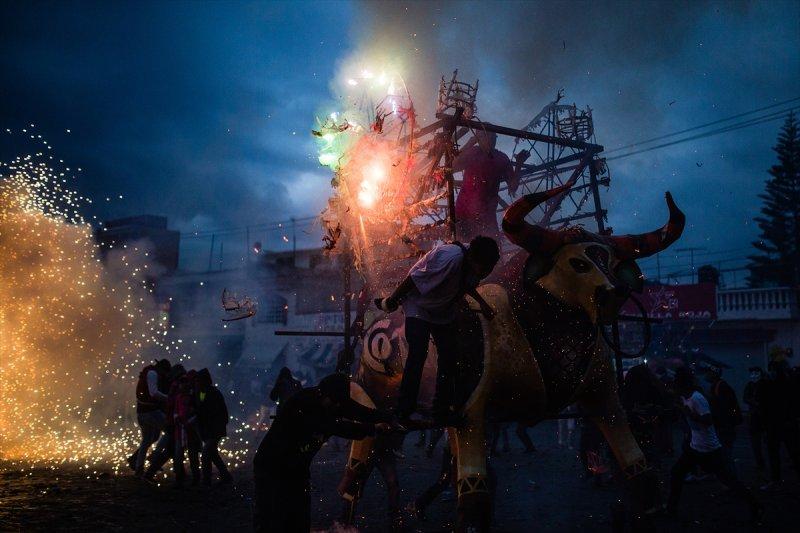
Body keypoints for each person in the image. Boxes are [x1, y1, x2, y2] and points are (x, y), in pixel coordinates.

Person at [375, 235, 501, 424]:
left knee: (450, 358)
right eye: (484, 269)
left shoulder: (477, 263)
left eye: (489, 270)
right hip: (418, 306)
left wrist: (482, 303)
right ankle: (403, 411)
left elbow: (465, 284)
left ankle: (441, 410)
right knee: (418, 354)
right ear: (472, 258)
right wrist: (392, 301)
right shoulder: (450, 257)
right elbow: (414, 278)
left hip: (443, 310)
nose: (485, 273)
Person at [253, 373, 395, 533]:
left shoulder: (332, 400)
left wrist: (391, 417)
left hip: (297, 468)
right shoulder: (303, 404)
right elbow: (335, 426)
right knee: (271, 517)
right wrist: (372, 428)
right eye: (334, 402)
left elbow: (359, 412)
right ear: (323, 394)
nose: (336, 406)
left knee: (299, 517)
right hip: (272, 466)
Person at [667, 368, 762, 522]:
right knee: (677, 473)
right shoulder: (684, 397)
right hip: (695, 447)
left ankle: (755, 504)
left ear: (683, 384)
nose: (674, 387)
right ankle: (671, 509)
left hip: (709, 449)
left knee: (729, 480)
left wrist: (688, 413)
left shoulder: (697, 398)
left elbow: (708, 421)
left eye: (676, 384)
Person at [452, 130, 530, 240]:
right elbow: (452, 167)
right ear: (479, 138)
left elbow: (513, 186)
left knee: (490, 246)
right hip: (463, 213)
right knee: (461, 245)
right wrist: (470, 143)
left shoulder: (501, 158)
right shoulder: (473, 152)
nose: (490, 140)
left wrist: (519, 164)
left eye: (492, 136)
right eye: (485, 136)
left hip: (487, 215)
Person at [759, 361, 800, 489]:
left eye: (773, 370)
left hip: (786, 424)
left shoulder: (788, 385)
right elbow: (764, 407)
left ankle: (777, 479)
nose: (771, 373)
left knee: (794, 453)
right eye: (770, 370)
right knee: (775, 453)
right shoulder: (768, 385)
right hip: (775, 425)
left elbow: (794, 404)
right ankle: (775, 479)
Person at [129, 358, 171, 476]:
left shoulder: (150, 372)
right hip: (150, 412)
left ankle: (139, 468)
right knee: (170, 429)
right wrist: (169, 399)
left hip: (143, 412)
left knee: (147, 439)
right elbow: (153, 392)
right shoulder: (153, 374)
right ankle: (155, 456)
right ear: (163, 369)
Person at [196, 368, 233, 486]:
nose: (197, 383)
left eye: (199, 380)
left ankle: (206, 481)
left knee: (206, 453)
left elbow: (221, 413)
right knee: (213, 454)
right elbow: (201, 409)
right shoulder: (202, 393)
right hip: (208, 430)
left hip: (215, 429)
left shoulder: (214, 393)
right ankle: (226, 476)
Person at [703, 365, 743, 455]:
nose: (706, 375)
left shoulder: (721, 387)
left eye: (708, 372)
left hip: (724, 426)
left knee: (725, 452)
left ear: (714, 374)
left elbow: (724, 407)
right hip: (722, 425)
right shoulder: (717, 386)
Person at [742, 367, 767, 472]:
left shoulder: (764, 384)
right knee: (755, 442)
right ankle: (760, 462)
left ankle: (763, 462)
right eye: (752, 373)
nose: (754, 375)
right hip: (754, 416)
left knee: (765, 441)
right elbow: (745, 398)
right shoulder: (750, 385)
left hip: (764, 416)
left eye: (756, 373)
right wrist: (753, 402)